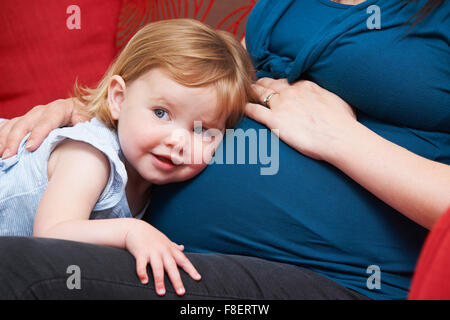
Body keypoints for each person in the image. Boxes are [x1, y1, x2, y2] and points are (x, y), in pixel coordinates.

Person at [0, 0, 449, 300]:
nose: (180, 140)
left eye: (203, 132)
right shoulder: (286, 6)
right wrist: (88, 110)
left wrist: (341, 139)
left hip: (341, 277)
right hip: (159, 242)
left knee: (22, 273)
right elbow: (199, 87)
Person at [0, 19, 256, 297]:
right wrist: (131, 231)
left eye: (202, 130)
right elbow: (50, 235)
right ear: (119, 99)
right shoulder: (92, 154)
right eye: (161, 113)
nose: (178, 141)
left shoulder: (151, 184)